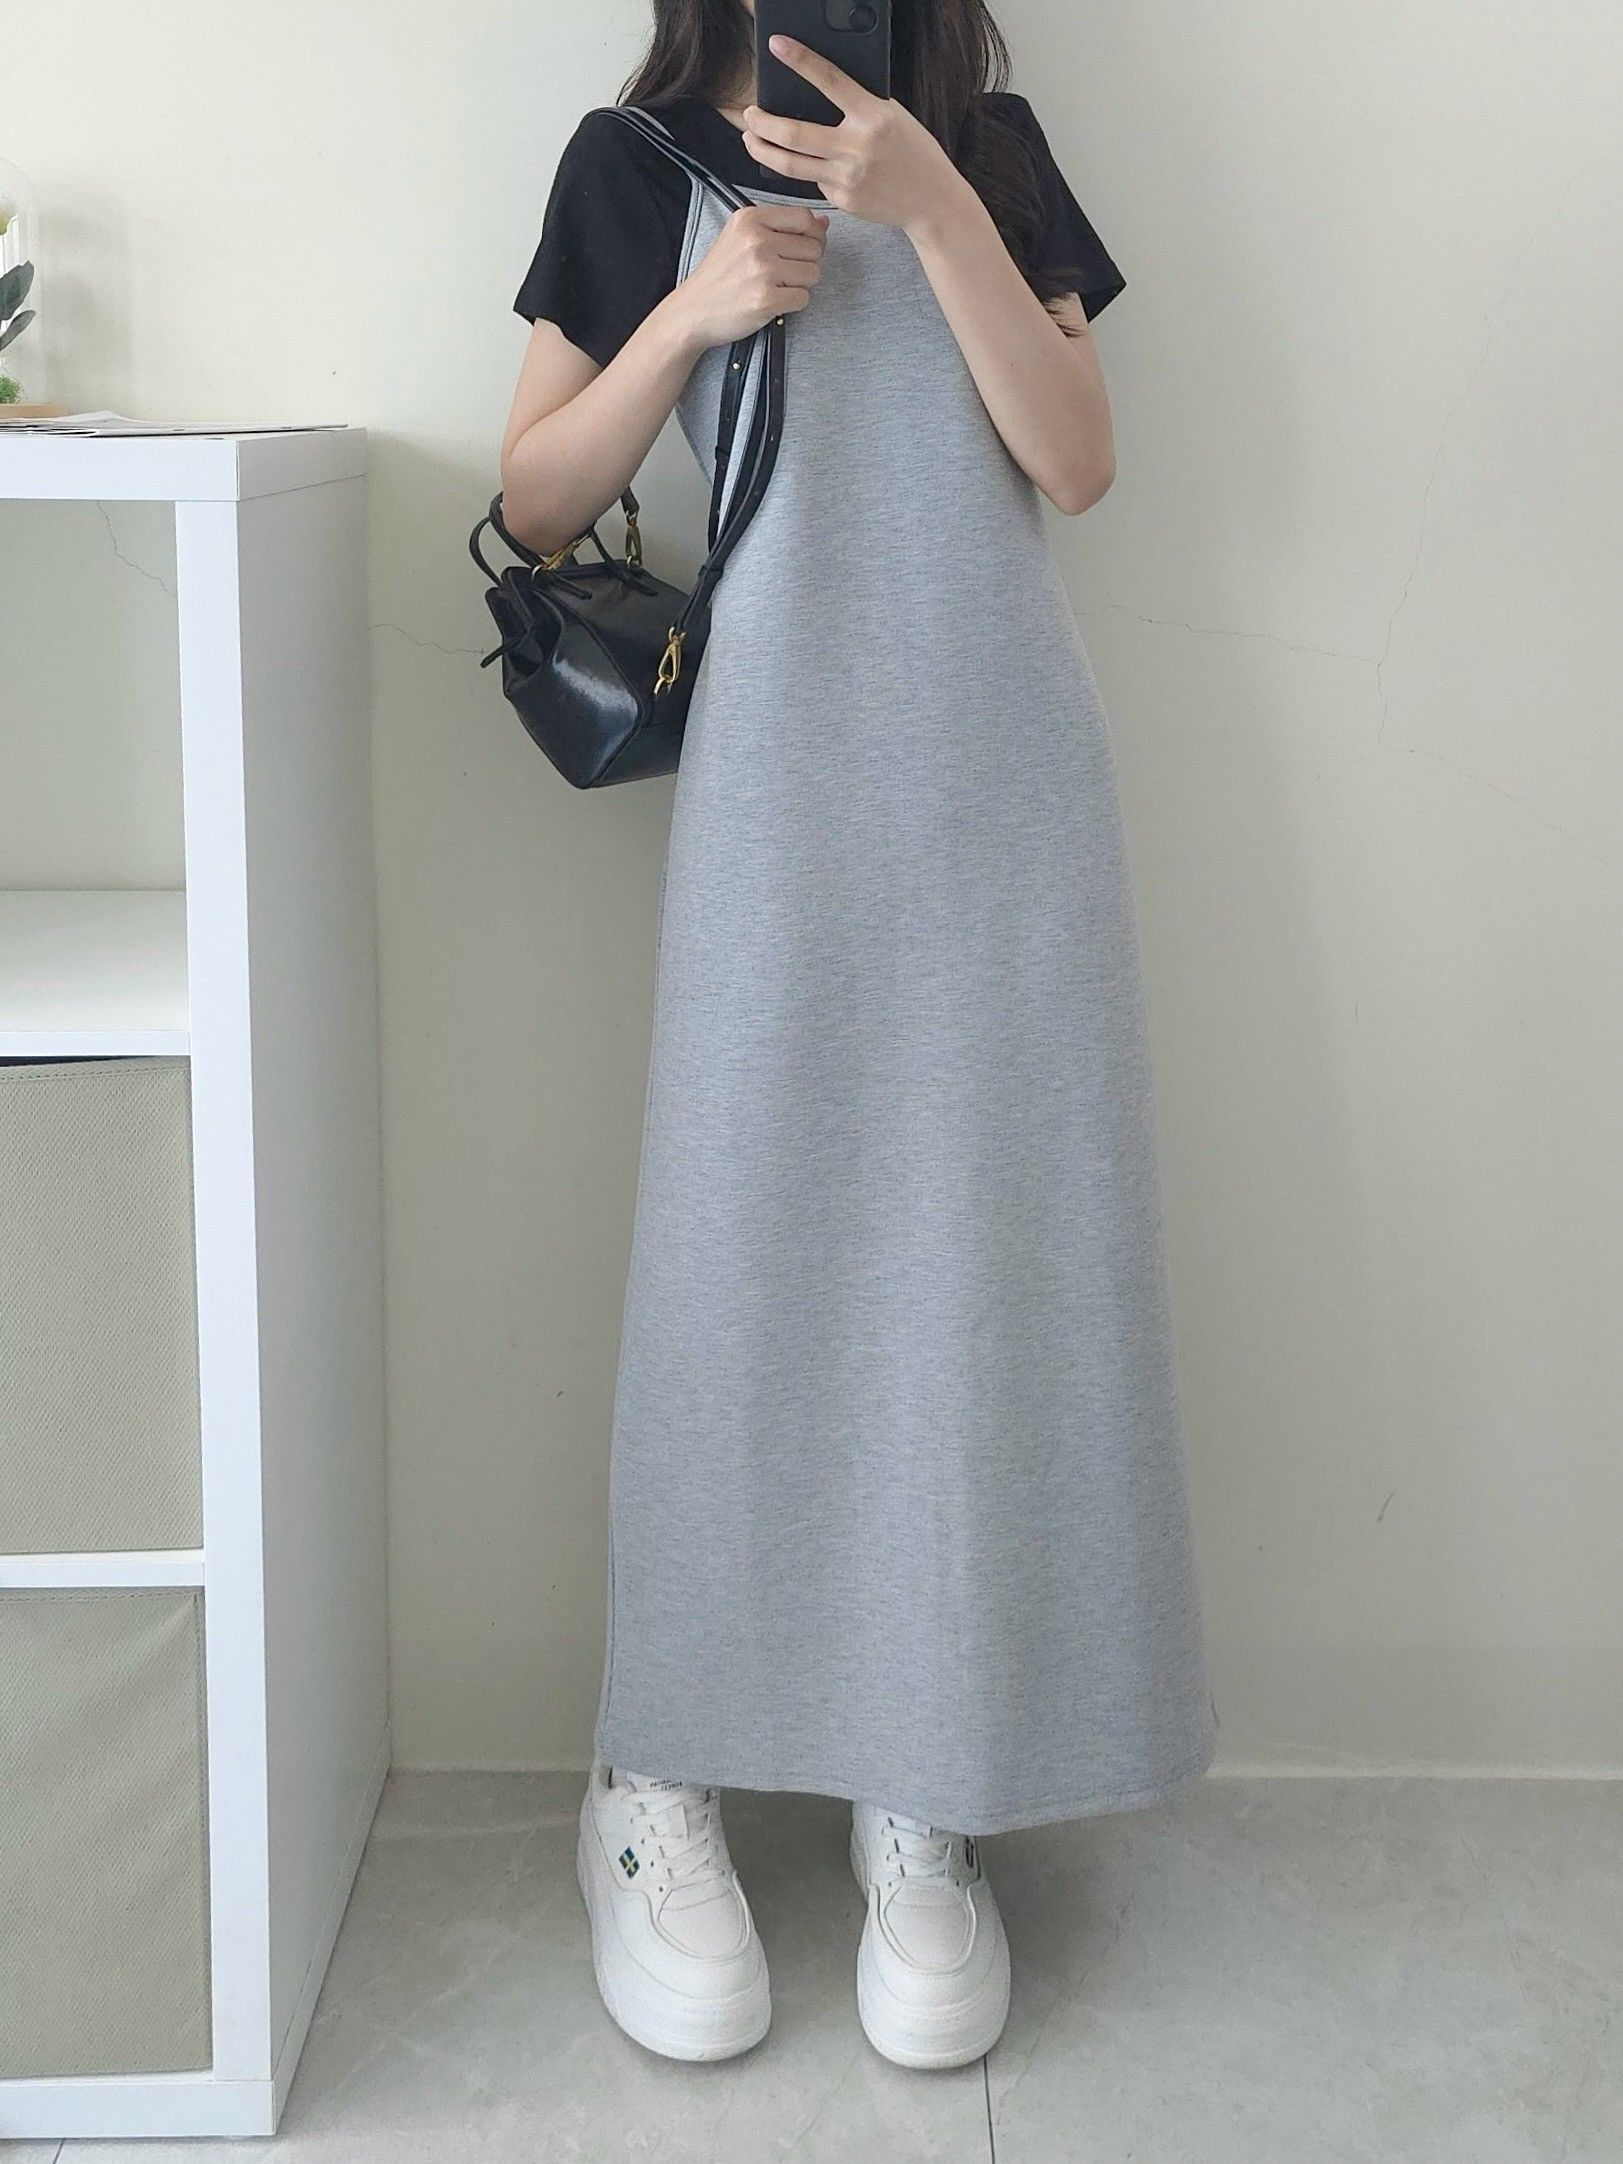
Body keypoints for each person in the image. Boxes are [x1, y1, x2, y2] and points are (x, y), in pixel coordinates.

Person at [499, 0, 1213, 2071]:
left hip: (1007, 807)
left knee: (971, 1294)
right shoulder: (632, 166)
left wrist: (931, 204)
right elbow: (536, 496)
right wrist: (696, 313)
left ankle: (929, 1783)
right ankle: (654, 1774)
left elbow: (1076, 460)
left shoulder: (985, 143)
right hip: (772, 803)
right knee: (730, 1279)